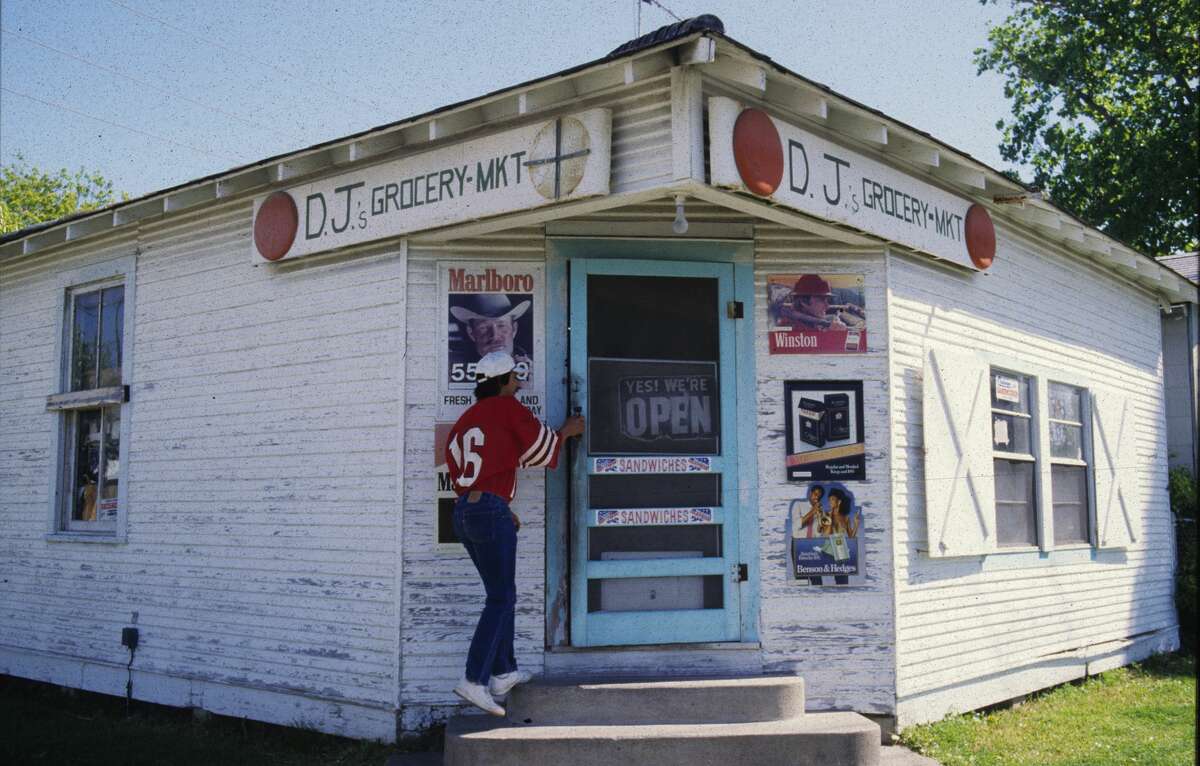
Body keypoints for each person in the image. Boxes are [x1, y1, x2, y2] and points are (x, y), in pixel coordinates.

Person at [444, 351, 585, 716]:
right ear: (504, 381)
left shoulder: (465, 419)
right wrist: (568, 431)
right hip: (488, 510)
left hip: (464, 511)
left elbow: (474, 468)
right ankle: (474, 680)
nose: (520, 386)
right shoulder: (507, 408)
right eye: (516, 379)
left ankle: (503, 672)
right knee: (501, 598)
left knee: (499, 594)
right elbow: (539, 449)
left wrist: (499, 505)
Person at [448, 294, 533, 377]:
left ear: (514, 329)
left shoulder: (536, 366)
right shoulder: (453, 370)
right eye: (484, 327)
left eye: (501, 325)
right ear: (471, 333)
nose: (495, 336)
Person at [777, 274, 844, 331]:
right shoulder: (790, 328)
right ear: (804, 301)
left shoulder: (815, 324)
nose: (827, 306)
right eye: (821, 300)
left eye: (827, 300)